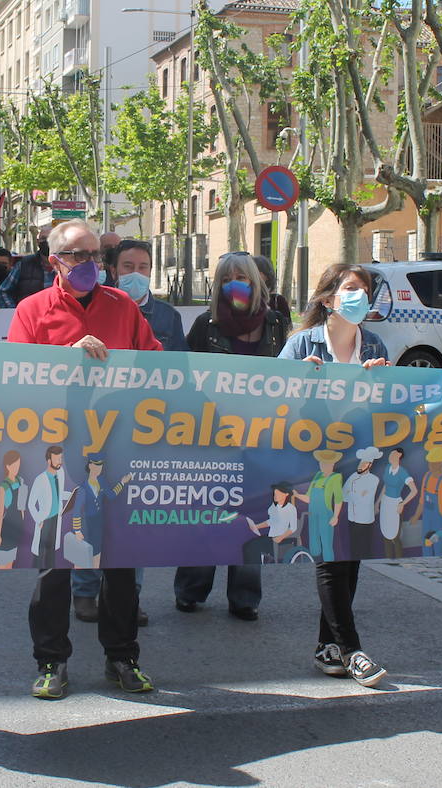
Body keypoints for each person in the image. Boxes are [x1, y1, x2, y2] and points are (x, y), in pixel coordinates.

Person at [7, 218, 161, 700]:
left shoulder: (123, 306)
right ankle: (51, 660)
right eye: (78, 255)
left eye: (96, 255)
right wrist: (65, 360)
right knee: (56, 563)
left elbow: (156, 364)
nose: (90, 264)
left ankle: (122, 657)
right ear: (54, 260)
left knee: (119, 560)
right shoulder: (32, 310)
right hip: (57, 454)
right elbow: (16, 379)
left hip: (117, 450)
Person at [280, 260, 392, 688]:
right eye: (350, 288)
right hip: (317, 465)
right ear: (328, 299)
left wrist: (382, 387)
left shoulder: (375, 345)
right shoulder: (301, 345)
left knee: (351, 555)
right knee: (331, 554)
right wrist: (299, 383)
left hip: (360, 463)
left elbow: (390, 412)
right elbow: (273, 405)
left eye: (363, 288)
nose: (358, 295)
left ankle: (327, 646)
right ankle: (352, 650)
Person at [72, 239, 180, 624]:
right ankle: (84, 591)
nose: (137, 273)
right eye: (128, 265)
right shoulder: (100, 306)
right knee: (91, 510)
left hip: (140, 428)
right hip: (89, 427)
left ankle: (128, 598)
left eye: (145, 265)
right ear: (113, 270)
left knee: (132, 515)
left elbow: (175, 370)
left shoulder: (166, 316)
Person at [174, 252, 286, 622]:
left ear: (257, 281)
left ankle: (245, 597)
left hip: (260, 438)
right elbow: (186, 380)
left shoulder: (276, 324)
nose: (235, 283)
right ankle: (191, 590)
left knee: (252, 515)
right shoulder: (206, 326)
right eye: (227, 277)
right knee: (207, 515)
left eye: (243, 276)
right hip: (212, 437)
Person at [0, 225, 55, 307]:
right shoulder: (23, 265)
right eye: (43, 239)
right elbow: (3, 291)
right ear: (37, 242)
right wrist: (15, 311)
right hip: (30, 317)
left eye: (50, 239)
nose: (47, 242)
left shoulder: (66, 266)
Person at [379, 447, 417, 558]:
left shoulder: (402, 472)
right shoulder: (387, 468)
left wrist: (402, 504)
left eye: (393, 454)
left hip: (395, 504)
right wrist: (378, 503)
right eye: (390, 454)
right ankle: (388, 561)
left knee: (395, 536)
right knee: (385, 535)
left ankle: (400, 563)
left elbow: (414, 490)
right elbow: (385, 486)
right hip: (385, 503)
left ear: (399, 456)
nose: (390, 456)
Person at [0, 450, 27, 569]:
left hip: (17, 528)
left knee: (10, 562)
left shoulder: (21, 481)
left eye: (18, 465)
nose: (17, 468)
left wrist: (22, 523)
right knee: (1, 563)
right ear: (7, 466)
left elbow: (22, 506)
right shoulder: (3, 487)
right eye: (14, 465)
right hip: (6, 528)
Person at [252, 254, 293, 338]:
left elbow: (288, 329)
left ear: (266, 276)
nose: (251, 276)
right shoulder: (243, 300)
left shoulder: (278, 301)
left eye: (255, 272)